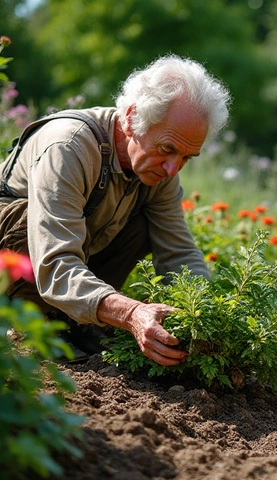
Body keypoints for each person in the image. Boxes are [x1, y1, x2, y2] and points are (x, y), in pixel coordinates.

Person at [0, 54, 231, 365]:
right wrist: (131, 312)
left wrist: (207, 318)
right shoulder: (69, 147)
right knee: (29, 219)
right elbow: (56, 263)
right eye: (167, 149)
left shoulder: (158, 172)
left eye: (188, 157)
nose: (174, 168)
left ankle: (76, 325)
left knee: (143, 224)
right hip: (19, 262)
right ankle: (31, 328)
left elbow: (179, 253)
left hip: (58, 268)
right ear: (134, 118)